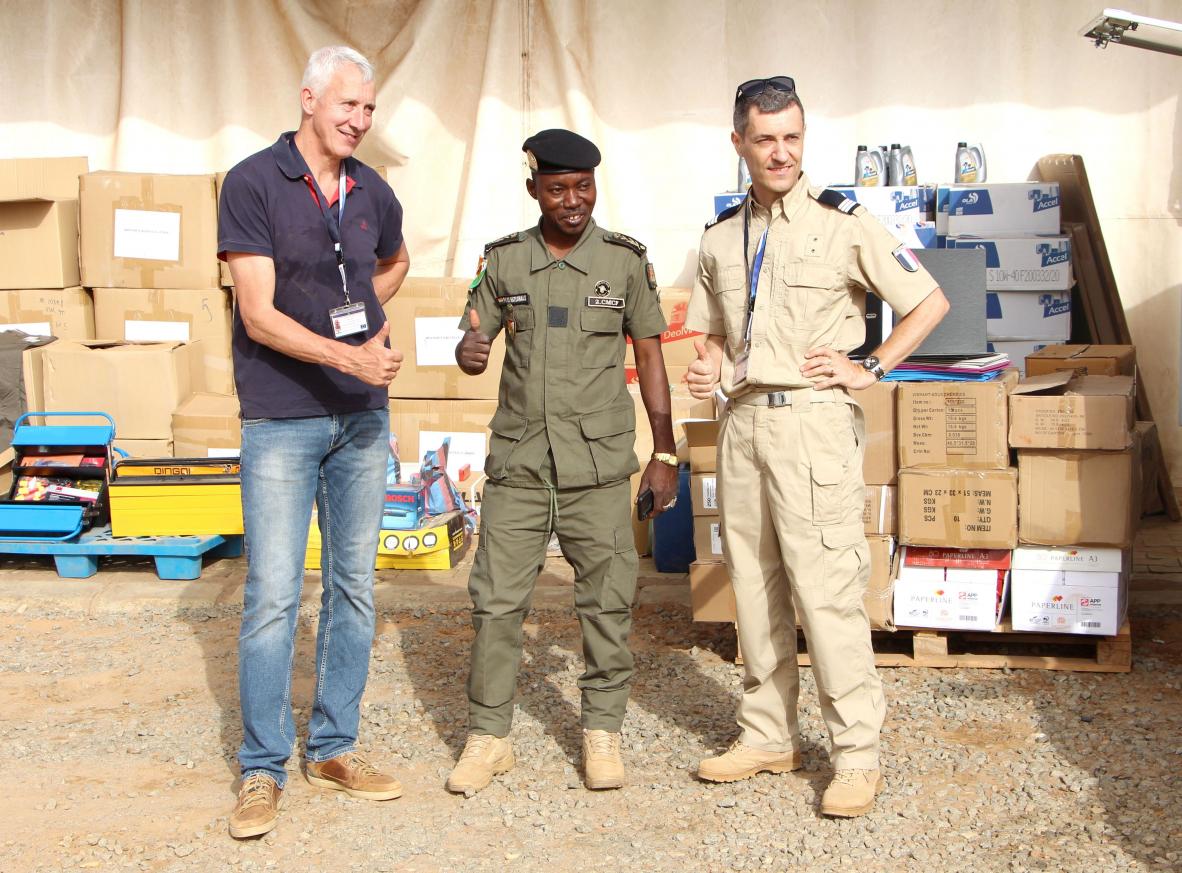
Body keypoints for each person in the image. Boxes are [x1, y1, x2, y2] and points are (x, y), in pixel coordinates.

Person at [685, 76, 949, 818]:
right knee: (756, 585)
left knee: (827, 592)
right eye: (765, 139)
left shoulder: (844, 224)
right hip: (741, 427)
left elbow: (928, 300)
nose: (780, 153)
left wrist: (871, 366)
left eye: (792, 138)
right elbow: (710, 332)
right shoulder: (718, 237)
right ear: (739, 142)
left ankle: (856, 753)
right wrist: (709, 362)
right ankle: (768, 732)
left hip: (812, 426)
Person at [447, 129, 678, 795]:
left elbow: (653, 359)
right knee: (494, 602)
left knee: (606, 603)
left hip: (599, 467)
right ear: (534, 190)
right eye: (557, 189)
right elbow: (475, 330)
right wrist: (471, 347)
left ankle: (601, 730)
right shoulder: (506, 261)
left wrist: (663, 452)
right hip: (520, 464)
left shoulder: (626, 262)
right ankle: (489, 737)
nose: (572, 201)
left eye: (583, 187)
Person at [217, 45, 411, 839]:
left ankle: (333, 746)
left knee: (355, 585)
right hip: (282, 415)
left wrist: (362, 304)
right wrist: (349, 351)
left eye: (368, 108)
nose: (360, 120)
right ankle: (262, 767)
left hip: (361, 416)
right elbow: (256, 314)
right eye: (347, 106)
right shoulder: (254, 182)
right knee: (271, 595)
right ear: (307, 99)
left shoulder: (372, 189)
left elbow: (394, 260)